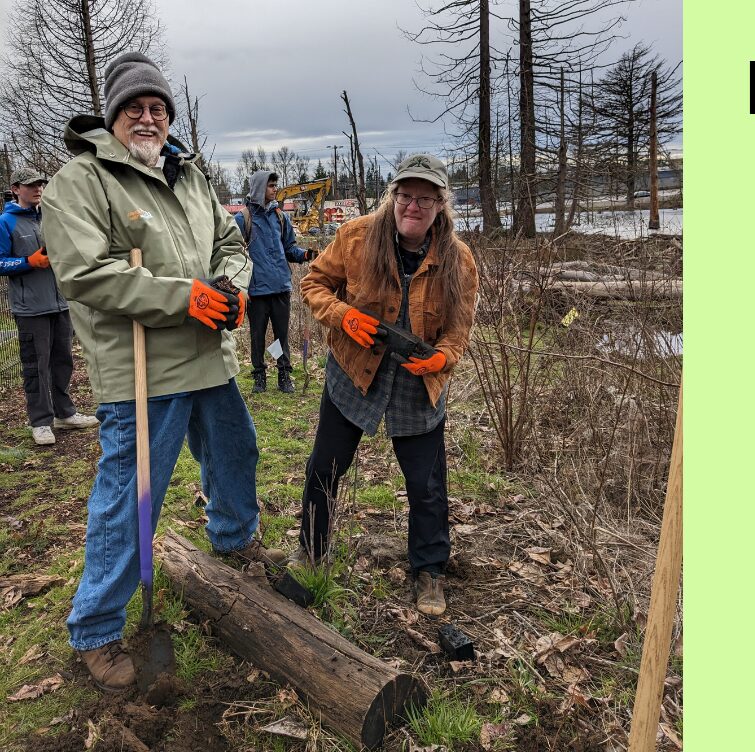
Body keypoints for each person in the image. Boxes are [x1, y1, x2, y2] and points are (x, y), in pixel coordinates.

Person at [42, 52, 285, 693]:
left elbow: (231, 243)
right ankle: (95, 629)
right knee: (131, 501)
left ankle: (234, 543)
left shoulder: (189, 175)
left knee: (236, 455)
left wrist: (230, 288)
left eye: (158, 108)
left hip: (210, 357)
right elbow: (85, 273)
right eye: (135, 108)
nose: (148, 118)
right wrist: (183, 297)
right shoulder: (81, 181)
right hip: (143, 370)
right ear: (114, 116)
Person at [299, 153, 477, 617]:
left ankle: (430, 571)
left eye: (424, 198)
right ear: (392, 196)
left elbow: (459, 331)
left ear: (441, 204)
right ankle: (310, 551)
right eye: (404, 195)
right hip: (353, 374)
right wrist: (344, 316)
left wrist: (442, 358)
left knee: (427, 486)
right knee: (324, 469)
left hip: (417, 387)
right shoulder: (356, 237)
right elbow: (314, 283)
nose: (411, 206)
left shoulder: (458, 260)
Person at [1, 167, 99, 444]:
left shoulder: (50, 218)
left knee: (63, 361)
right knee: (36, 365)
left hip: (60, 303)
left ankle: (64, 413)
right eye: (31, 185)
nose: (38, 189)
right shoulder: (5, 222)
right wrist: (27, 262)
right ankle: (40, 421)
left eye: (40, 184)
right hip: (30, 308)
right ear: (16, 188)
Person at [235, 170, 317, 393]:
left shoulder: (280, 217)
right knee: (257, 337)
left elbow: (289, 248)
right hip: (256, 290)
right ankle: (259, 376)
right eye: (271, 186)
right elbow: (233, 254)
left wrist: (306, 255)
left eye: (275, 185)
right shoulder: (243, 219)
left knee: (280, 336)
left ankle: (283, 375)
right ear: (260, 188)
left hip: (280, 286)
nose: (274, 189)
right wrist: (240, 287)